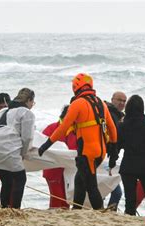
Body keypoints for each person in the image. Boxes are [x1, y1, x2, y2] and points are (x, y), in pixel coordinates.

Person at [39, 73, 117, 210]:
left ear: (75, 87)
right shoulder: (101, 103)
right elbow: (112, 128)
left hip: (88, 153)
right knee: (79, 180)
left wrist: (46, 145)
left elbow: (63, 127)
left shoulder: (78, 103)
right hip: (101, 152)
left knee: (91, 186)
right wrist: (113, 148)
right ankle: (76, 210)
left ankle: (100, 214)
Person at [109, 95, 145, 216]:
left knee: (130, 199)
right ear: (142, 109)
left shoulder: (123, 126)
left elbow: (116, 147)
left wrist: (111, 163)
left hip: (128, 165)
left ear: (127, 108)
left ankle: (130, 219)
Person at [0, 88, 36, 209]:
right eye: (33, 102)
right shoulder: (26, 113)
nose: (32, 105)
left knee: (7, 181)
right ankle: (15, 209)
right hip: (8, 149)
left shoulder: (6, 111)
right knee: (20, 179)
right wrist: (23, 153)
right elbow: (27, 137)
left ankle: (5, 208)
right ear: (29, 100)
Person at [42, 105, 77, 209]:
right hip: (53, 170)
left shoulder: (76, 130)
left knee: (66, 199)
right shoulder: (52, 128)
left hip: (70, 171)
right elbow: (42, 147)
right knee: (58, 199)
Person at [103, 91, 127, 210]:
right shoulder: (108, 113)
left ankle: (107, 213)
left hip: (110, 158)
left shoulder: (119, 116)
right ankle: (102, 212)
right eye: (119, 100)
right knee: (114, 191)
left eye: (124, 101)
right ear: (112, 99)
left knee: (114, 191)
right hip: (103, 156)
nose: (122, 103)